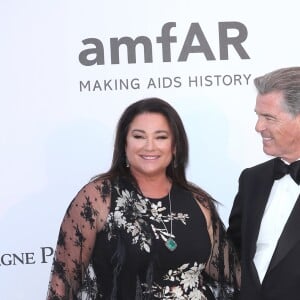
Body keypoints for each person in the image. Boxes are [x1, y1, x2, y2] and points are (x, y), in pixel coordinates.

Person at [47, 97, 240, 300]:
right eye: (139, 136)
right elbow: (62, 286)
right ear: (124, 144)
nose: (150, 146)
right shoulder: (98, 198)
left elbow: (234, 276)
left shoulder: (198, 201)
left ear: (175, 146)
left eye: (161, 137)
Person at [227, 66, 300, 300]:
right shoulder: (252, 179)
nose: (258, 127)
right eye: (258, 116)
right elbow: (233, 255)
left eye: (269, 118)